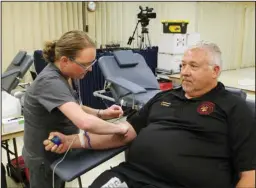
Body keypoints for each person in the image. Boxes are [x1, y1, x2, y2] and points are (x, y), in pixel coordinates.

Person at [44, 41, 256, 188]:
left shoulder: (235, 108)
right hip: (133, 176)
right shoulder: (163, 98)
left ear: (215, 71)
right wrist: (72, 140)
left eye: (193, 66)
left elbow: (250, 174)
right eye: (182, 65)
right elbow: (125, 132)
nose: (184, 72)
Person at [22, 30, 129, 188]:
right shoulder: (50, 81)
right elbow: (84, 122)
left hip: (61, 149)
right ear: (64, 60)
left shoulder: (70, 75)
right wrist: (119, 128)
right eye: (85, 65)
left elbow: (75, 107)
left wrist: (102, 113)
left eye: (91, 63)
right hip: (44, 158)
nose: (90, 69)